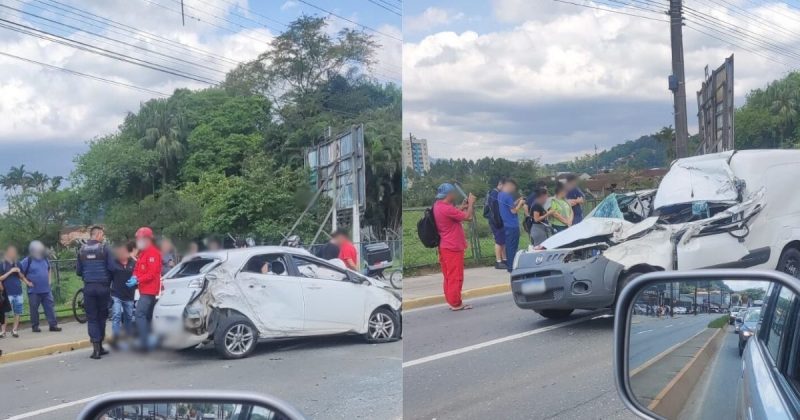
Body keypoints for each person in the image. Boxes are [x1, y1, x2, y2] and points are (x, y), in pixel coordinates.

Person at [433, 183, 476, 311]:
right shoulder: (447, 209)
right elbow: (468, 217)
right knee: (456, 276)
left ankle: (451, 300)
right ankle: (456, 303)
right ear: (449, 194)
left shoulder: (438, 206)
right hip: (453, 247)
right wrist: (471, 204)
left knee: (448, 275)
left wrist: (463, 206)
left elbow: (455, 213)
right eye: (453, 193)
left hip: (444, 246)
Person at [76, 226, 115, 359]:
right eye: (102, 235)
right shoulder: (105, 248)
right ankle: (101, 346)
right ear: (97, 235)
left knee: (92, 318)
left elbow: (78, 271)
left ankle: (96, 349)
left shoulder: (81, 250)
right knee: (102, 317)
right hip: (103, 288)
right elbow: (112, 267)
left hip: (89, 288)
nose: (103, 237)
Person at [128, 227, 162, 350]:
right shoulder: (143, 253)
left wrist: (138, 279)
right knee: (147, 316)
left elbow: (152, 273)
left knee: (140, 314)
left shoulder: (153, 253)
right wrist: (134, 277)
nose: (138, 241)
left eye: (140, 239)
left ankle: (145, 342)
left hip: (150, 290)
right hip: (144, 289)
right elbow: (137, 269)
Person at [20, 240, 61, 333]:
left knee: (50, 307)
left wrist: (49, 281)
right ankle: (35, 327)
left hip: (46, 290)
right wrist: (27, 282)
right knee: (34, 309)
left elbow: (49, 269)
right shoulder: (28, 260)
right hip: (33, 291)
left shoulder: (44, 258)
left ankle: (53, 325)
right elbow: (19, 272)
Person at [108, 242, 136, 348]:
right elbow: (109, 277)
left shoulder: (133, 262)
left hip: (129, 294)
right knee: (116, 315)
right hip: (116, 294)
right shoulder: (113, 263)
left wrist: (136, 279)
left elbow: (138, 274)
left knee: (128, 316)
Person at [0, 245, 31, 338]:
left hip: (18, 292)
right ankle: (3, 331)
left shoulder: (18, 263)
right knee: (5, 314)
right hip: (7, 293)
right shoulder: (2, 264)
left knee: (17, 312)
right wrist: (10, 271)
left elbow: (22, 276)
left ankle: (15, 330)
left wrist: (18, 272)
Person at [497, 179, 525, 273]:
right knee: (513, 246)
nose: (513, 189)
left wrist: (517, 201)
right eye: (512, 187)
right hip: (512, 224)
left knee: (509, 245)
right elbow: (513, 210)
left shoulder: (500, 195)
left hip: (506, 224)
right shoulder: (508, 196)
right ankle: (513, 266)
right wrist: (520, 204)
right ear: (508, 185)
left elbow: (510, 206)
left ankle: (510, 265)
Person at [484, 178, 507, 270]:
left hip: (497, 220)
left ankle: (504, 259)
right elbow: (495, 211)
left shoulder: (495, 194)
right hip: (496, 221)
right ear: (500, 185)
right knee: (499, 241)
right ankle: (498, 261)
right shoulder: (494, 195)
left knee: (502, 241)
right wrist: (499, 222)